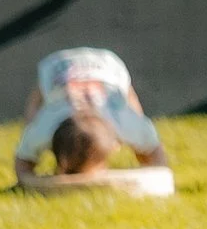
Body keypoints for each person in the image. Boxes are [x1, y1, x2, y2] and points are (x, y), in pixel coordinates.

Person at [12, 47, 169, 183]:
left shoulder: (126, 123)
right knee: (33, 119)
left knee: (132, 110)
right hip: (57, 69)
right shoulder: (44, 129)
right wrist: (25, 180)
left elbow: (154, 152)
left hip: (108, 69)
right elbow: (23, 161)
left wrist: (155, 176)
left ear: (113, 146)